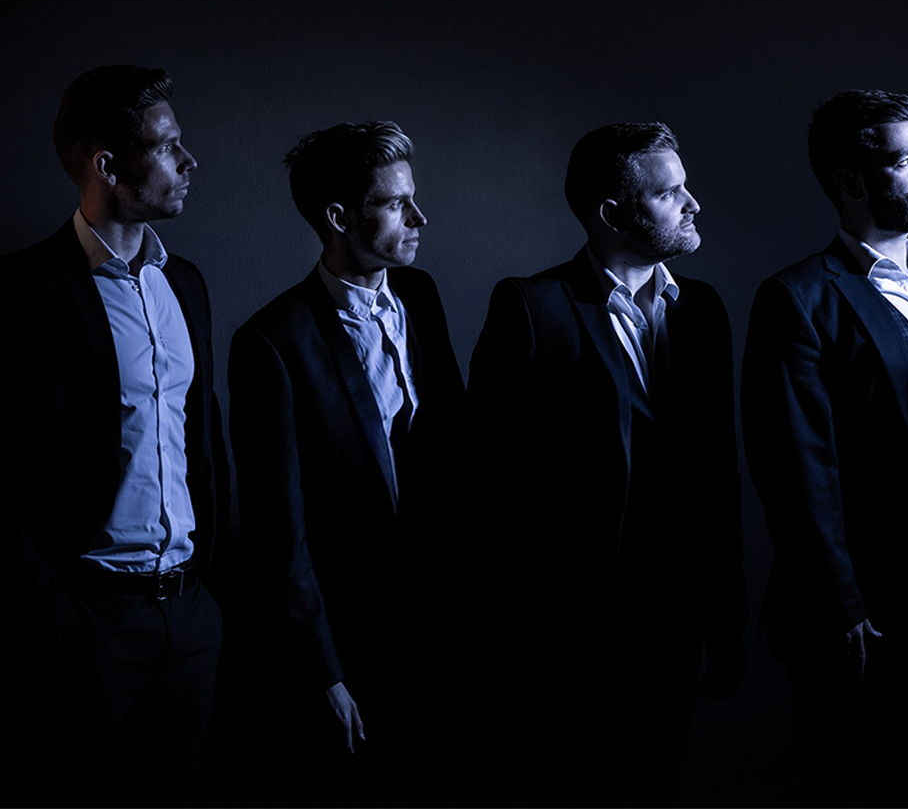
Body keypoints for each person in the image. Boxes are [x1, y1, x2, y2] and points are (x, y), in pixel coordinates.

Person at [468, 122, 747, 805]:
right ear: (613, 213)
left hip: (677, 625)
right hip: (569, 641)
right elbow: (488, 489)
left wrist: (726, 619)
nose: (694, 204)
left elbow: (717, 475)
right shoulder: (533, 307)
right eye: (671, 192)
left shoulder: (702, 312)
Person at [742, 89, 908, 807]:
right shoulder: (797, 298)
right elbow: (797, 468)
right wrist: (840, 606)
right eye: (903, 161)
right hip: (853, 617)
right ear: (851, 182)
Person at [0, 65, 229, 799]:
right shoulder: (24, 292)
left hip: (190, 616)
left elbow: (200, 440)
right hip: (88, 624)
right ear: (105, 163)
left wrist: (210, 596)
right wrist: (56, 618)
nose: (188, 161)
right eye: (168, 147)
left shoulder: (183, 283)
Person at [227, 121, 464, 791]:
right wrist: (322, 673)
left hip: (442, 627)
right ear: (338, 216)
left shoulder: (421, 295)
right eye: (395, 204)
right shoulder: (272, 343)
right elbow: (281, 530)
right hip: (353, 643)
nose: (419, 217)